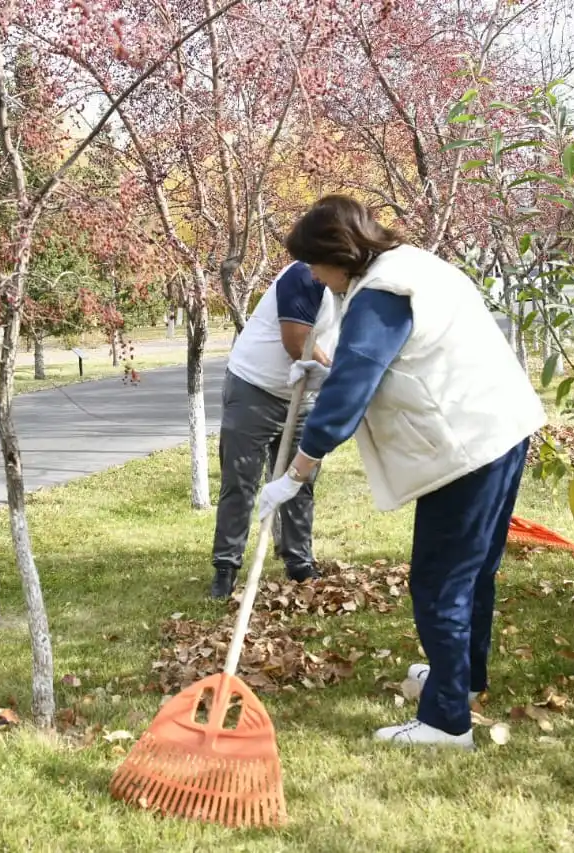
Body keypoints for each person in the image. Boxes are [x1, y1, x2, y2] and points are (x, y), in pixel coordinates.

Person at [258, 195, 547, 750]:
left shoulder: (384, 292)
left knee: (440, 583)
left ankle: (445, 722)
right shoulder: (407, 265)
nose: (314, 278)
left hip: (468, 446)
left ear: (338, 255)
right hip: (501, 425)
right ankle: (461, 681)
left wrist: (296, 471)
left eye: (315, 265)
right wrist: (322, 366)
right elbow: (373, 349)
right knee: (472, 571)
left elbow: (354, 387)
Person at [209, 259, 340, 599]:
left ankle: (299, 564)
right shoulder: (305, 274)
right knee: (240, 480)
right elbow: (297, 343)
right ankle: (226, 567)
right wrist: (339, 376)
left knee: (300, 479)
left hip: (303, 393)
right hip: (255, 386)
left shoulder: (355, 287)